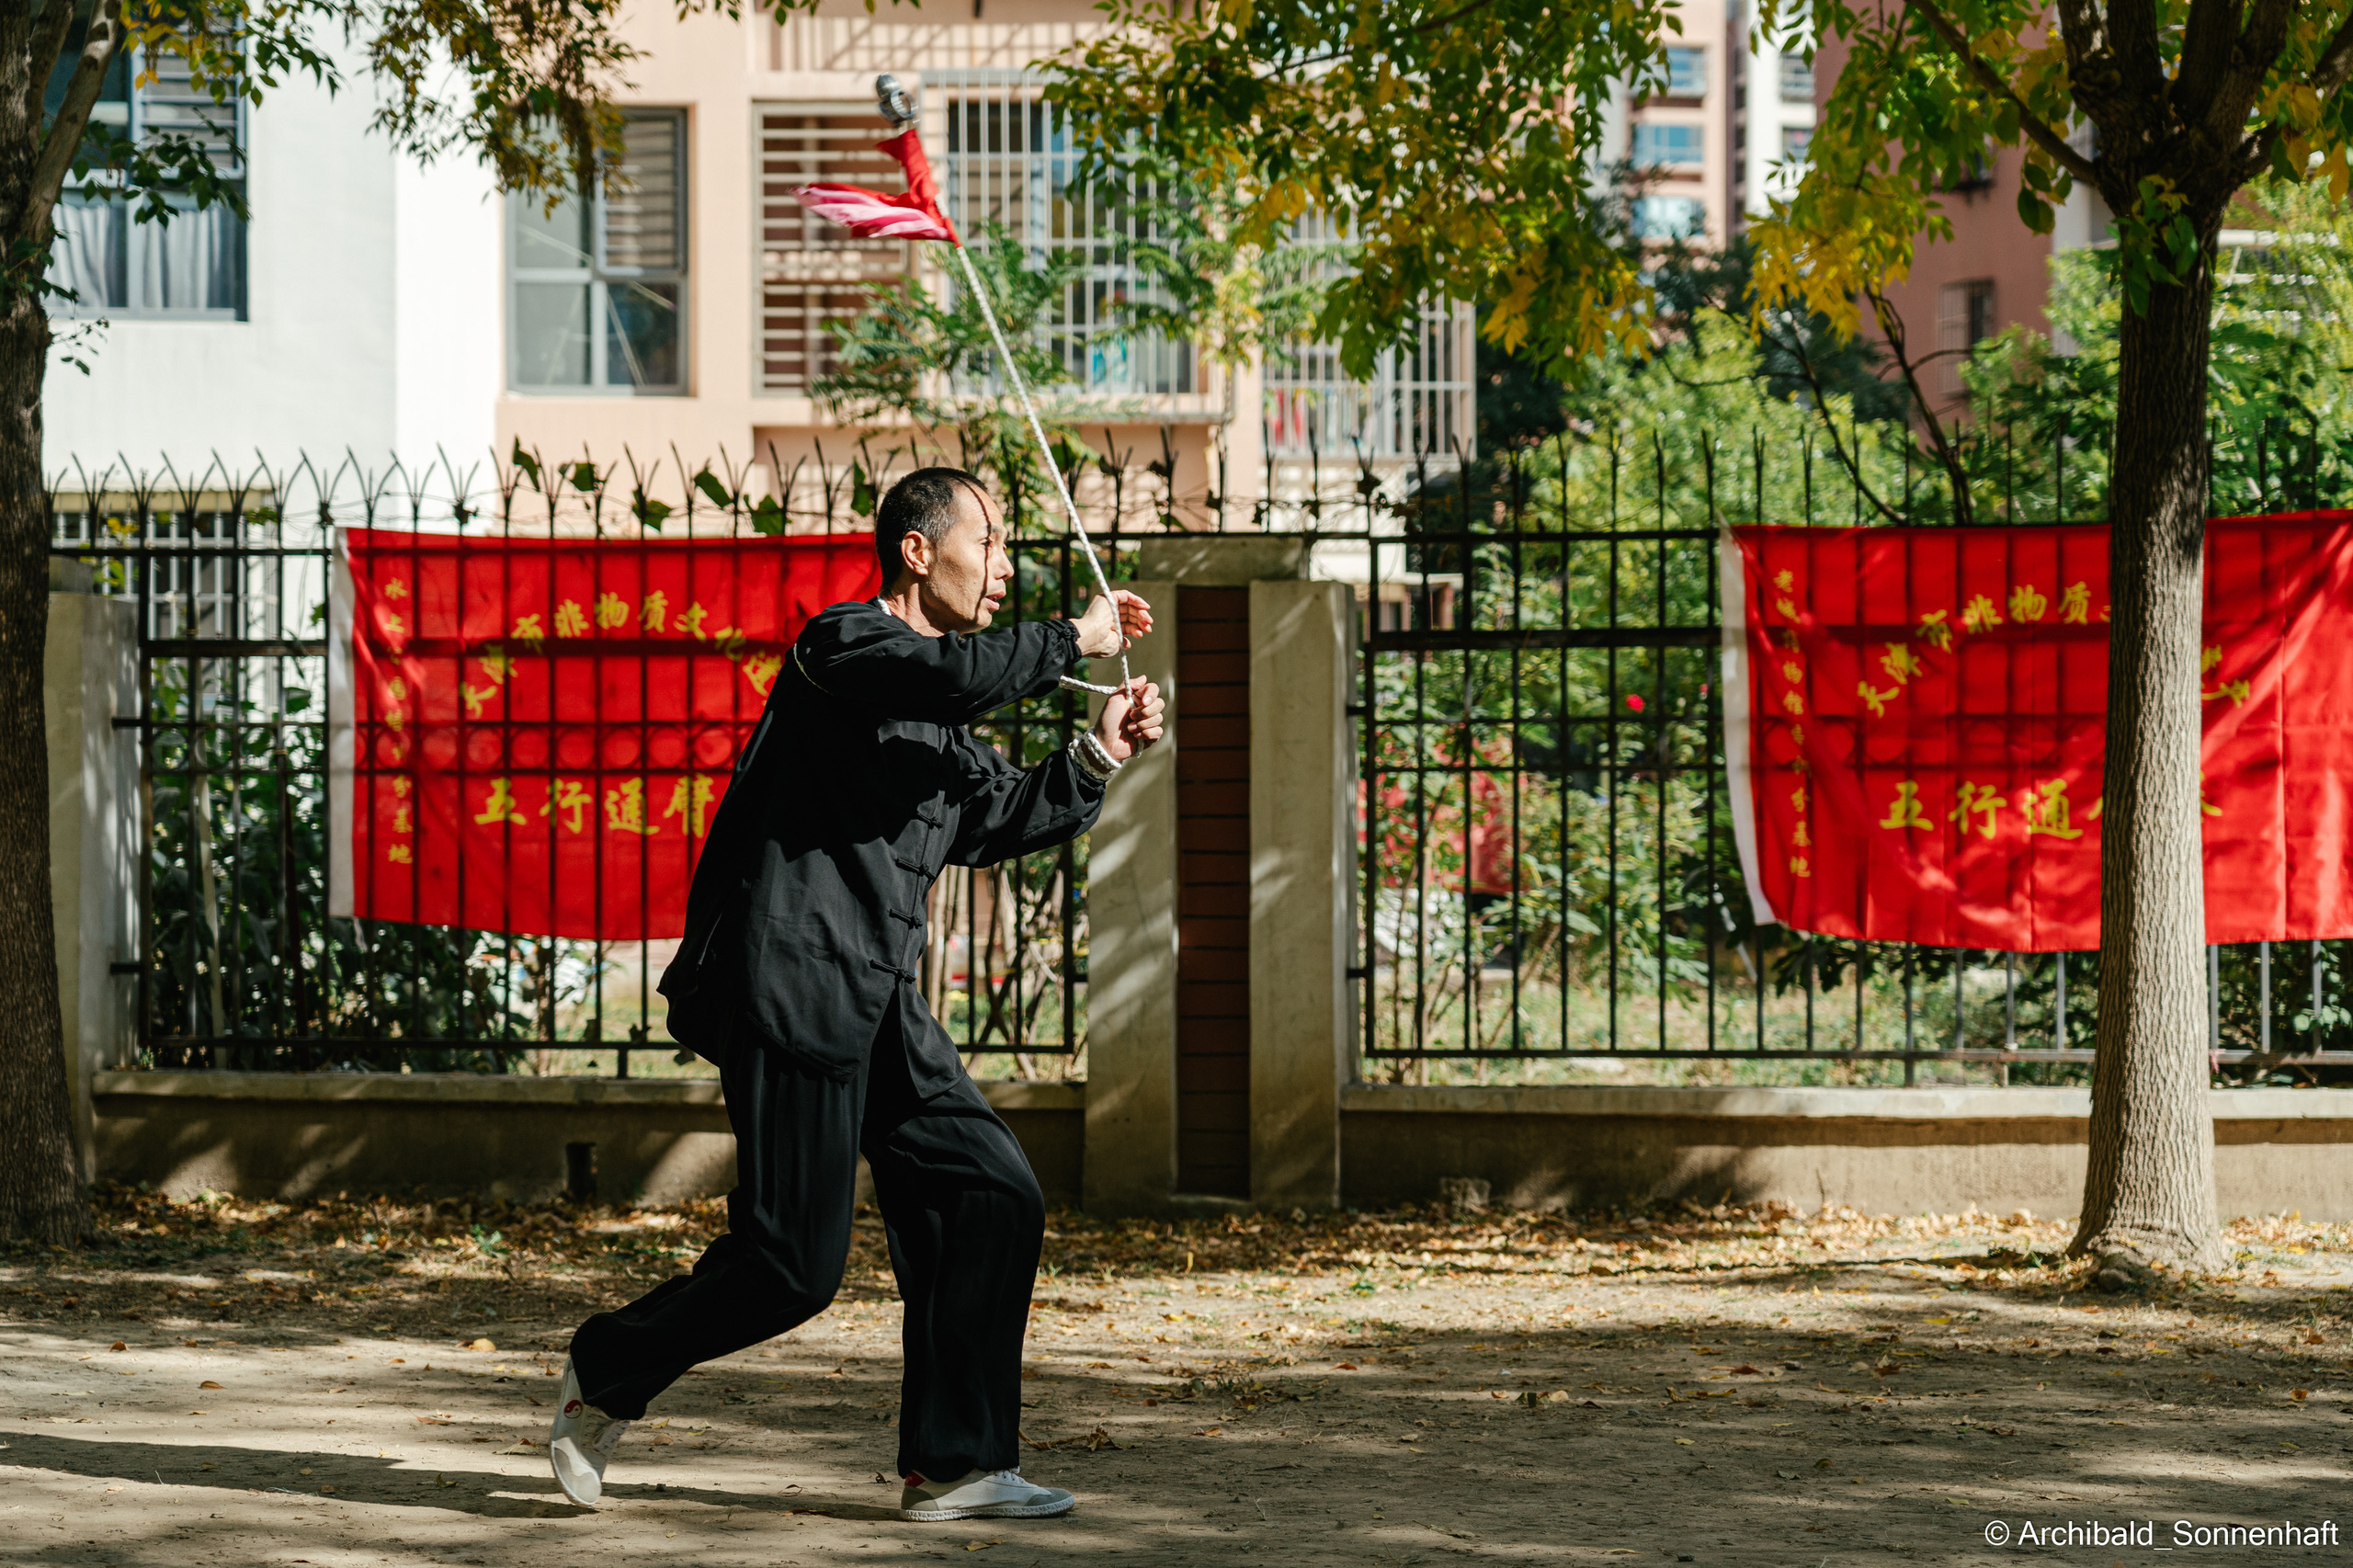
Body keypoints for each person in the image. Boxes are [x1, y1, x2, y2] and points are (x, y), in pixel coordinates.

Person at [545, 467, 1162, 1521]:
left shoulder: (939, 703)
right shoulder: (843, 648)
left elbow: (991, 819)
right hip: (787, 981)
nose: (1005, 564)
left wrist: (1099, 752)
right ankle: (606, 1367)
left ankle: (956, 1464)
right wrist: (1076, 636)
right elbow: (955, 677)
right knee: (791, 1263)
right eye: (990, 539)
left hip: (874, 992)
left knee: (989, 1192)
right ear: (918, 550)